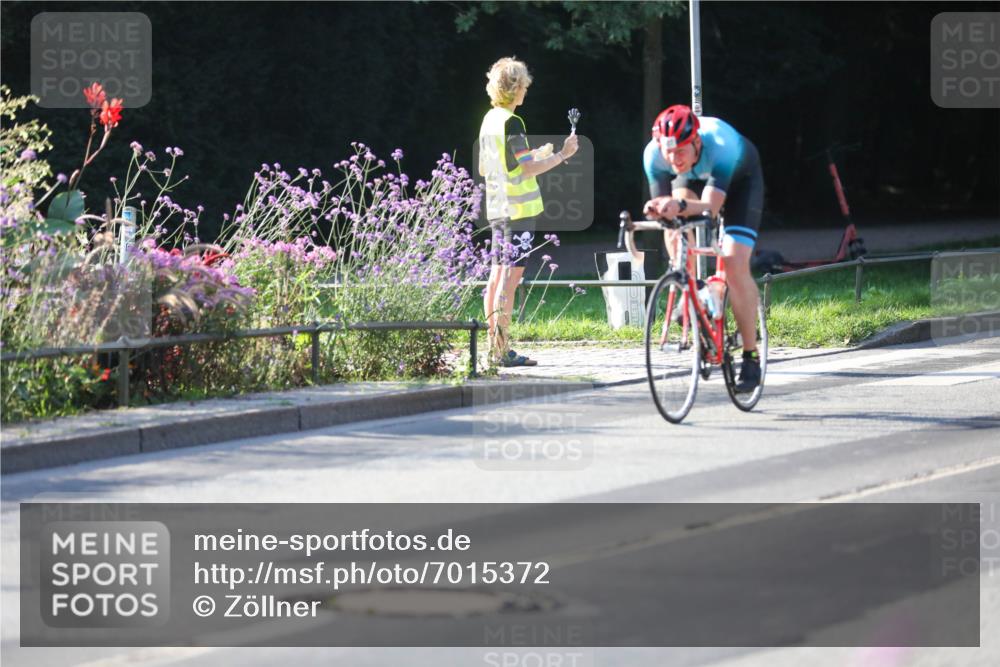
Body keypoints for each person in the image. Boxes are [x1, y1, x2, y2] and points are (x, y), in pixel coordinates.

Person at [642, 104, 764, 391]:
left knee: (734, 263)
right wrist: (658, 209)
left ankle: (750, 357)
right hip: (695, 180)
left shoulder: (720, 145)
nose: (674, 158)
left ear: (696, 140)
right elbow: (666, 212)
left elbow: (710, 207)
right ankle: (693, 291)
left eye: (681, 151)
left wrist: (678, 205)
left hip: (739, 182)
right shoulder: (654, 156)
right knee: (673, 228)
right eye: (668, 152)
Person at [478, 57, 578, 367]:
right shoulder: (513, 122)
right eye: (523, 85)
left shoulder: (489, 120)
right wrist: (563, 154)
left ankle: (492, 347)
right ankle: (502, 351)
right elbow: (528, 169)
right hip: (518, 212)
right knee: (509, 281)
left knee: (495, 280)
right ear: (515, 88)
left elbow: (488, 167)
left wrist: (531, 155)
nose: (526, 90)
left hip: (496, 209)